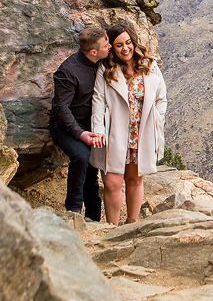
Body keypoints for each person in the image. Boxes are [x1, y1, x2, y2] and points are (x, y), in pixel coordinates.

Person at [91, 22, 167, 224]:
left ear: (133, 42)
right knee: (112, 183)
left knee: (135, 180)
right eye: (118, 45)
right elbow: (98, 100)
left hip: (140, 132)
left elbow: (161, 98)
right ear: (112, 48)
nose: (125, 48)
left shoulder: (149, 65)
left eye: (128, 42)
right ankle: (112, 228)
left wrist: (157, 121)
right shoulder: (106, 69)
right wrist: (98, 130)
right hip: (114, 131)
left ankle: (132, 224)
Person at [48, 25, 110, 221]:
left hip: (89, 125)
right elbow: (61, 109)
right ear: (93, 52)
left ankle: (94, 218)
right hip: (65, 126)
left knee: (91, 170)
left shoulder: (100, 62)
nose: (109, 47)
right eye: (106, 44)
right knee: (82, 157)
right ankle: (72, 210)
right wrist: (79, 133)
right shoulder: (68, 71)